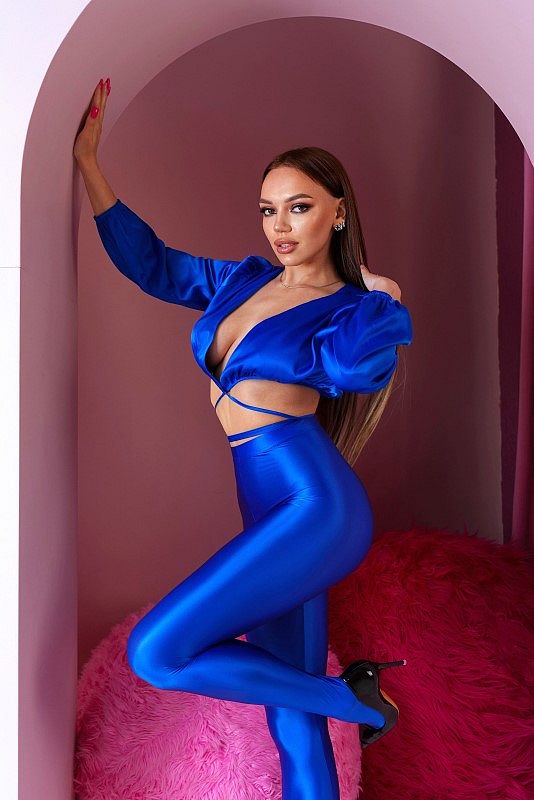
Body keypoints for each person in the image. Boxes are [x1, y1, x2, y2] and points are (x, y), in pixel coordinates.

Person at [74, 77, 413, 800]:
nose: (280, 226)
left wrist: (380, 302)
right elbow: (155, 266)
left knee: (156, 650)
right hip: (264, 505)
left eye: (300, 206)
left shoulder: (347, 308)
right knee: (291, 717)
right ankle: (346, 701)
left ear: (339, 212)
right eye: (268, 209)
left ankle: (354, 701)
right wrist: (90, 167)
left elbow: (351, 370)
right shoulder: (245, 280)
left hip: (314, 508)